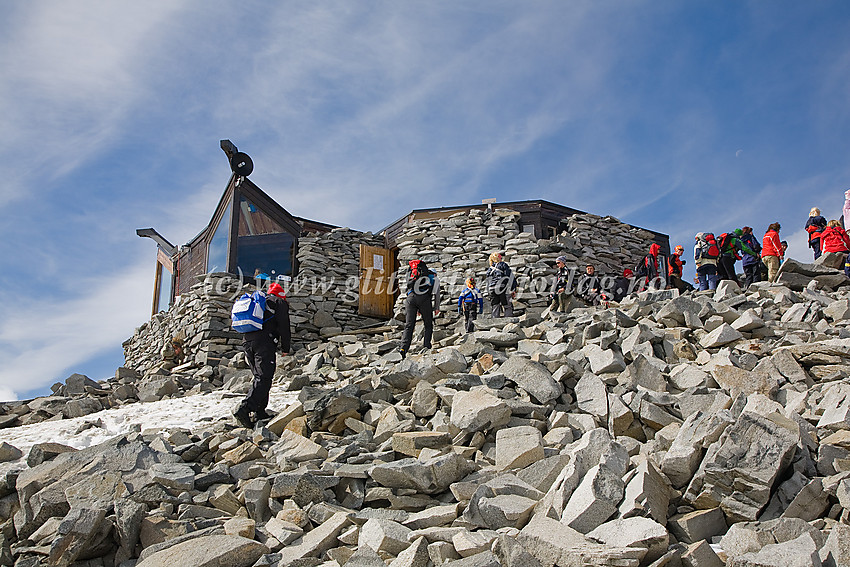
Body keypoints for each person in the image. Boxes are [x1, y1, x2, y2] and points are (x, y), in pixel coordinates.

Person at [233, 282, 291, 428]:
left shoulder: (261, 302)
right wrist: (286, 347)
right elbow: (284, 326)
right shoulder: (279, 302)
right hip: (264, 343)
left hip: (247, 342)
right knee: (264, 377)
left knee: (259, 376)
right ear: (281, 294)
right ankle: (245, 409)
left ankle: (260, 411)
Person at [400, 259, 440, 358]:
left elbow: (409, 289)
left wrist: (416, 307)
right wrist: (436, 307)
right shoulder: (434, 279)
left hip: (410, 299)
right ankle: (426, 346)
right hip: (424, 299)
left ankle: (403, 348)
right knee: (428, 324)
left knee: (409, 325)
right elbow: (436, 294)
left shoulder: (414, 276)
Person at [485, 252, 516, 317]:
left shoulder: (490, 269)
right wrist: (513, 289)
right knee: (507, 305)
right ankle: (508, 321)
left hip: (492, 289)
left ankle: (495, 321)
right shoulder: (503, 265)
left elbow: (488, 282)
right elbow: (510, 277)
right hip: (501, 287)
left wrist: (489, 293)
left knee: (495, 305)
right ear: (498, 258)